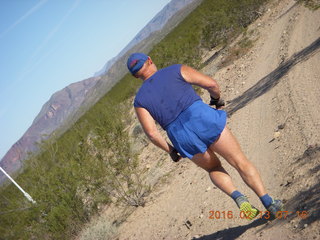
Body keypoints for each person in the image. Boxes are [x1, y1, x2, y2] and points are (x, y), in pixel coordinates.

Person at [126, 52, 283, 219]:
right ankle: (269, 203)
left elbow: (151, 133)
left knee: (213, 168)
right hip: (203, 118)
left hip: (182, 137)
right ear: (150, 60)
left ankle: (238, 196)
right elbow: (211, 84)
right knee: (239, 161)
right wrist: (216, 99)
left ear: (136, 76)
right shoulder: (175, 70)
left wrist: (171, 150)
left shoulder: (140, 101)